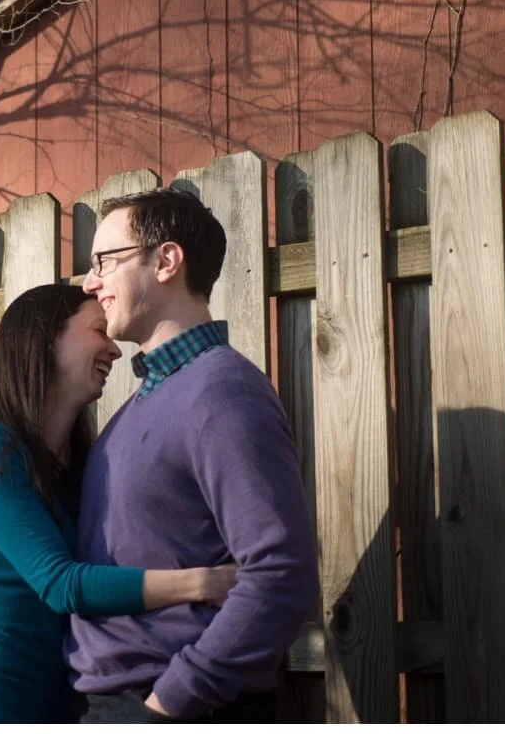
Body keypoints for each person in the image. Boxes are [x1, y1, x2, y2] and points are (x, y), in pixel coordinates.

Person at [0, 283, 238, 724]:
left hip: (60, 708)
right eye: (99, 331)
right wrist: (202, 584)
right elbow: (61, 585)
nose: (114, 350)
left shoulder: (88, 458)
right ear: (47, 336)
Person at [67, 188, 319, 723]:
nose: (91, 282)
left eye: (103, 262)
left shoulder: (223, 393)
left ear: (166, 261)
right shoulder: (140, 405)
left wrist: (167, 704)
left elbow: (281, 573)